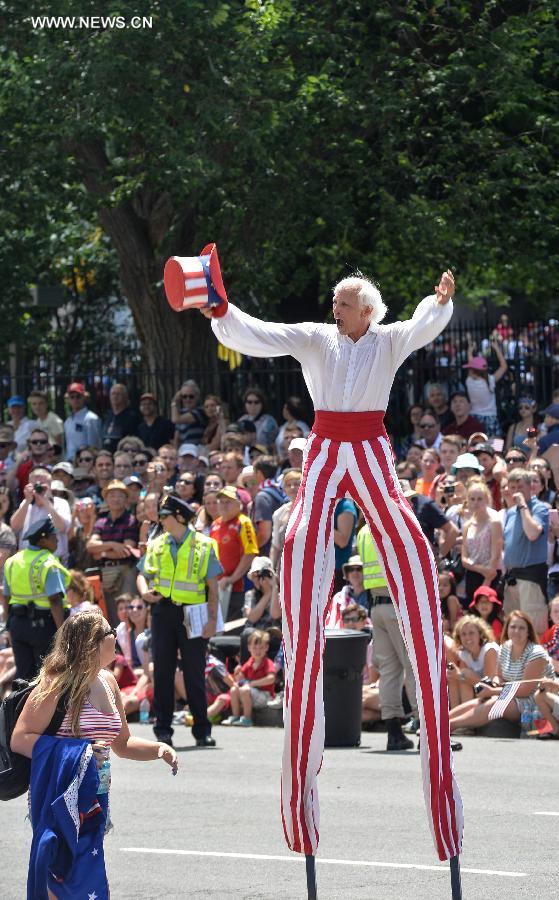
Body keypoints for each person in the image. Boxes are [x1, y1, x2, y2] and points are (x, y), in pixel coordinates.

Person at [204, 268, 462, 861]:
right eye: (335, 302)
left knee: (406, 536)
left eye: (342, 302)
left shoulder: (388, 339)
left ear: (365, 309)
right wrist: (222, 312)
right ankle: (299, 651)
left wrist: (439, 302)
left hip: (370, 442)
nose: (333, 307)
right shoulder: (318, 338)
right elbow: (261, 333)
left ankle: (421, 632)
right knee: (298, 539)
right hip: (324, 443)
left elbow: (424, 326)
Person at [11, 611, 178, 899]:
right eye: (109, 631)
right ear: (92, 642)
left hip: (94, 796)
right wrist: (81, 752)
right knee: (60, 873)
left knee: (85, 873)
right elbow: (20, 739)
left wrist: (158, 749)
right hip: (59, 794)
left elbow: (122, 743)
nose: (116, 636)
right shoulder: (56, 685)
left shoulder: (109, 681)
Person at [137, 492, 222, 747]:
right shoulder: (157, 543)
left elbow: (213, 586)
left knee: (195, 673)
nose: (160, 520)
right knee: (162, 671)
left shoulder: (204, 544)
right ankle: (163, 730)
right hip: (163, 612)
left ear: (178, 517)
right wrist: (143, 592)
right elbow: (142, 573)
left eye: (164, 516)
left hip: (193, 613)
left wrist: (211, 620)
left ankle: (202, 729)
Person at [356, 522, 419, 744]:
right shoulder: (395, 526)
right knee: (414, 667)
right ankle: (426, 730)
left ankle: (394, 732)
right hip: (397, 604)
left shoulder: (364, 531)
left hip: (377, 605)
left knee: (390, 670)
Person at [449, 610, 554, 732]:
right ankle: (441, 721)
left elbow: (525, 690)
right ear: (507, 629)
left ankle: (450, 726)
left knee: (495, 704)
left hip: (535, 702)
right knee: (480, 701)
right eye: (513, 627)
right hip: (511, 695)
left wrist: (494, 691)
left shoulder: (536, 653)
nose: (516, 631)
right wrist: (494, 684)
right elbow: (498, 676)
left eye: (521, 628)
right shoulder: (506, 647)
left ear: (528, 632)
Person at [1, 516, 69, 679]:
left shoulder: (12, 561)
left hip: (17, 625)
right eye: (54, 537)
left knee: (24, 677)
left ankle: (22, 705)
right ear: (43, 540)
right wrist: (63, 633)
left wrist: (8, 624)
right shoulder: (48, 564)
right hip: (43, 626)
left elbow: (5, 597)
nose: (57, 541)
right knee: (47, 677)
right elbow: (54, 600)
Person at [86, 479, 140, 625]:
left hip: (125, 571)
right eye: (112, 495)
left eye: (120, 495)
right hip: (105, 572)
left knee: (127, 613)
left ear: (126, 499)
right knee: (108, 614)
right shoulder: (101, 522)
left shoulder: (130, 520)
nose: (116, 499)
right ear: (106, 499)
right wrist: (112, 544)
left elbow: (126, 550)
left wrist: (102, 552)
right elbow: (90, 545)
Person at [503, 468, 549, 635]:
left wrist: (522, 504)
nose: (516, 492)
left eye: (520, 487)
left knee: (534, 632)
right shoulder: (509, 512)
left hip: (531, 580)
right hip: (512, 580)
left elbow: (532, 533)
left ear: (530, 487)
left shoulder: (539, 508)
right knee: (512, 633)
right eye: (512, 487)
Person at [210, 485, 258, 621]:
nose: (224, 505)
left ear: (239, 504)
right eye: (221, 501)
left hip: (236, 588)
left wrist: (232, 578)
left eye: (228, 502)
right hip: (218, 588)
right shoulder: (215, 524)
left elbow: (250, 553)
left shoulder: (243, 523)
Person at [10, 466, 72, 563]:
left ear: (50, 485)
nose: (39, 488)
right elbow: (14, 526)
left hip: (53, 561)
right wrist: (27, 501)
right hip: (28, 561)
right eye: (36, 485)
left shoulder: (60, 503)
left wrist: (46, 501)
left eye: (43, 484)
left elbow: (62, 528)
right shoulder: (26, 504)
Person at [460, 479, 503, 603]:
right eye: (472, 499)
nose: (475, 503)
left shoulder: (494, 522)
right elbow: (464, 558)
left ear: (487, 500)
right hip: (474, 574)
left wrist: (487, 580)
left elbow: (496, 553)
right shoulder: (467, 525)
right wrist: (480, 569)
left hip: (492, 575)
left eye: (479, 499)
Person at [222, 629, 276, 726]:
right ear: (249, 648)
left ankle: (247, 719)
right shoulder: (250, 662)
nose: (257, 651)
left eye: (261, 648)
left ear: (266, 648)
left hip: (266, 696)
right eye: (254, 648)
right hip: (251, 694)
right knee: (234, 689)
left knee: (245, 690)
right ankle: (236, 716)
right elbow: (240, 678)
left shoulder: (267, 663)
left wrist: (252, 684)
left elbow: (271, 678)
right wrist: (238, 674)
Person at [446, 615, 499, 708]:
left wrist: (460, 675)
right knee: (457, 678)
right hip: (478, 691)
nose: (467, 638)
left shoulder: (489, 650)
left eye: (471, 633)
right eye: (463, 634)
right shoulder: (464, 654)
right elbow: (463, 678)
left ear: (480, 634)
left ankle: (460, 716)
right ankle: (454, 713)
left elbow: (489, 685)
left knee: (463, 674)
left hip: (495, 691)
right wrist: (456, 675)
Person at [462, 345, 507, 436]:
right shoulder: (490, 381)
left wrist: (470, 351)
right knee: (496, 445)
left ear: (472, 371)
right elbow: (504, 366)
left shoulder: (469, 381)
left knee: (477, 446)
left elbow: (471, 361)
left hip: (474, 417)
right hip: (491, 417)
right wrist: (497, 349)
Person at [63, 381, 102, 461]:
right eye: (72, 397)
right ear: (68, 399)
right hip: (69, 462)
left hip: (84, 462)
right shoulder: (68, 421)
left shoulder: (91, 418)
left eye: (78, 396)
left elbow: (95, 447)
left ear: (84, 397)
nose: (75, 399)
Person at [237, 387, 278, 452]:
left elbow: (274, 446)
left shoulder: (269, 421)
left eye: (256, 402)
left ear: (262, 404)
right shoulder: (241, 420)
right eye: (249, 402)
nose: (253, 405)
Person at [102, 383, 140, 453]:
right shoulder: (107, 415)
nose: (115, 396)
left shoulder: (132, 417)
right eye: (113, 394)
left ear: (125, 397)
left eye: (118, 394)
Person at [171, 380, 207, 446]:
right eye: (184, 396)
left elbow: (175, 419)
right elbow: (176, 438)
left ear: (197, 397)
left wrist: (174, 402)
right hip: (183, 451)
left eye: (191, 396)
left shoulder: (200, 412)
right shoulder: (181, 412)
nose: (188, 399)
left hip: (196, 450)